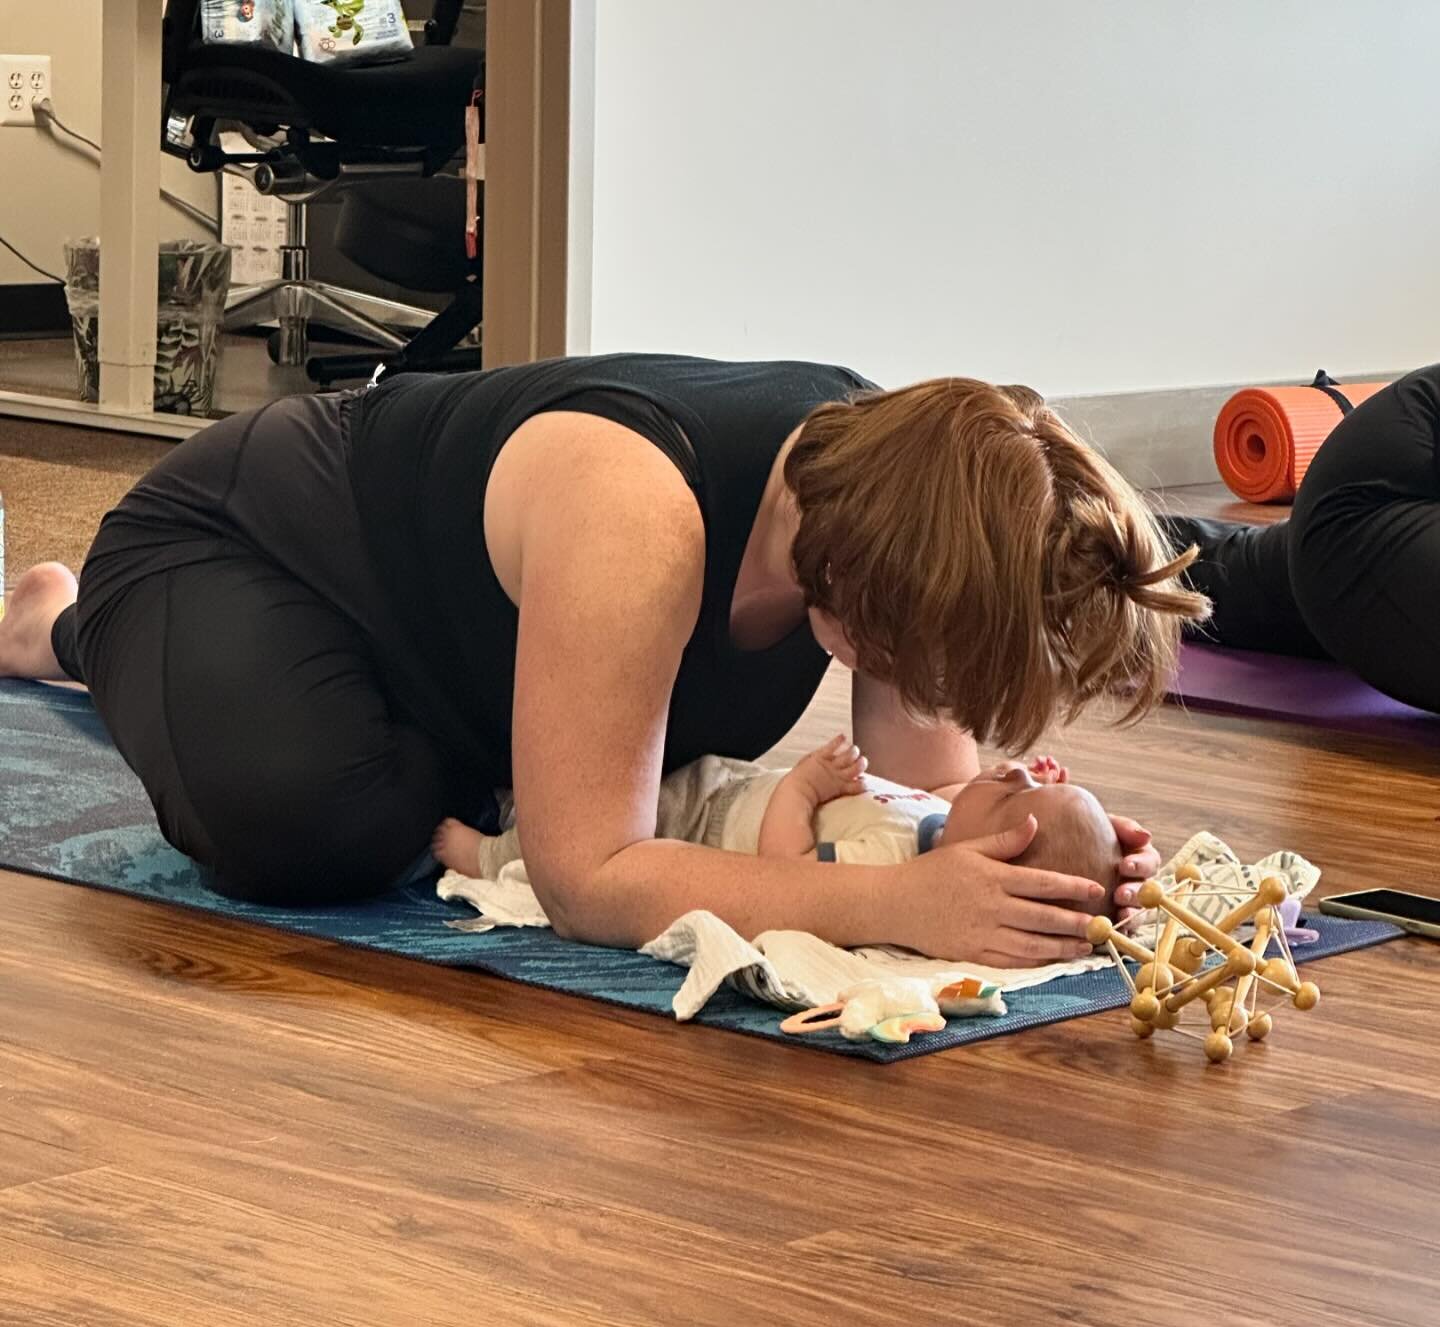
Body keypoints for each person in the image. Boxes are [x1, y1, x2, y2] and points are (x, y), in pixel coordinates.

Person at [0, 355, 1203, 965]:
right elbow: (590, 884)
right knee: (322, 829)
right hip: (251, 548)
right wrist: (899, 903)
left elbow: (922, 794)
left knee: (457, 789)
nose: (938, 699)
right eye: (934, 671)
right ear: (866, 603)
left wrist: (1028, 855)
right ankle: (64, 622)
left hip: (474, 664)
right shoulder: (642, 516)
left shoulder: (905, 505)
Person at [435, 739, 1121, 923]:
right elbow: (941, 792)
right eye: (1030, 779)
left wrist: (804, 789)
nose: (1013, 776)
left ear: (989, 852)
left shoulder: (891, 865)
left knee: (584, 826)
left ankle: (485, 853)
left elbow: (787, 866)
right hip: (734, 784)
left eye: (1014, 801)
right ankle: (518, 790)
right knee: (594, 780)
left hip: (708, 823)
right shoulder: (941, 824)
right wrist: (1027, 785)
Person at [1161, 362, 1440, 714]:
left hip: (1389, 474)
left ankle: (1106, 541)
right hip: (1386, 482)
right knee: (1227, 571)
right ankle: (1096, 536)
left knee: (1230, 576)